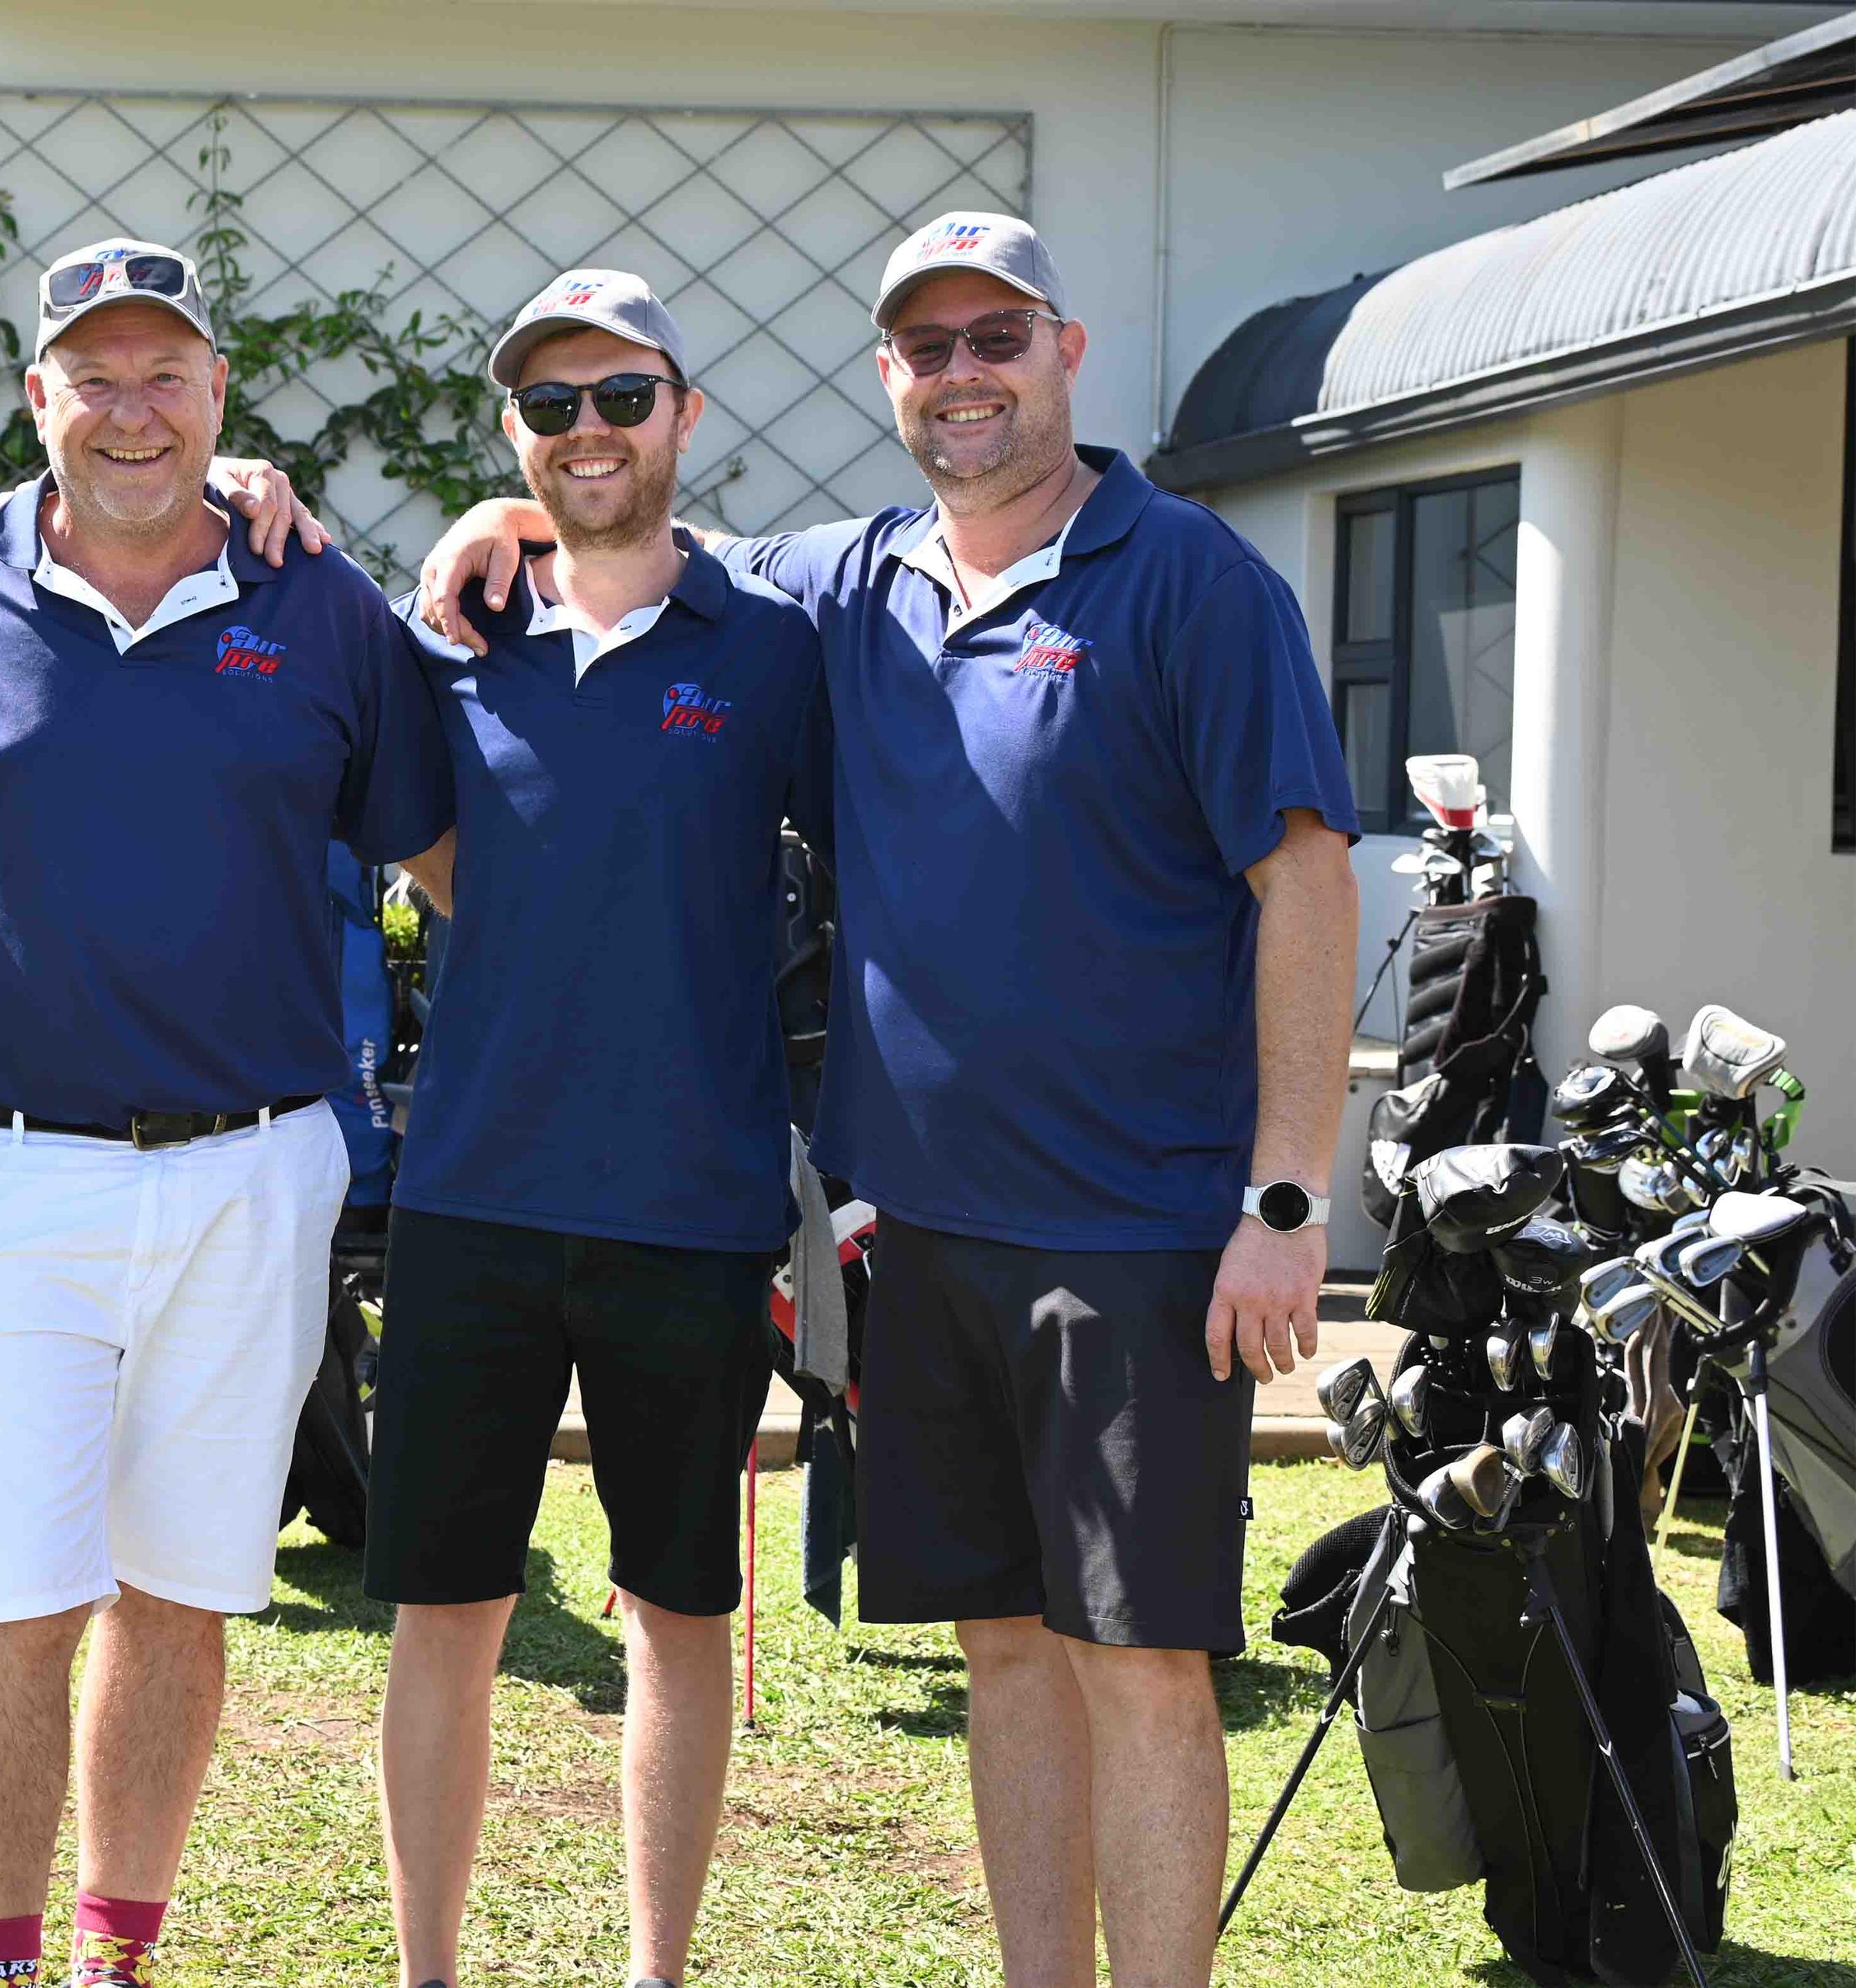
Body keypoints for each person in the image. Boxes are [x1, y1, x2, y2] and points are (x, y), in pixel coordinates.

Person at [417, 214, 1361, 1988]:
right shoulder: (853, 587)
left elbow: (1304, 879)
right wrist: (512, 516)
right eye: (926, 350)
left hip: (1144, 1232)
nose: (961, 377)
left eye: (994, 339)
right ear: (887, 380)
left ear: (1066, 350)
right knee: (1005, 1645)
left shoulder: (1189, 580)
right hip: (916, 1235)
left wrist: (1286, 1194)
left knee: (1141, 1661)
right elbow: (635, 529)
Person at [0, 238, 457, 1988]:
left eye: (164, 372)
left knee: (183, 1592)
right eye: (91, 374)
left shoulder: (316, 600)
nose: (129, 408)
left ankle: (118, 1948)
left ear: (220, 397)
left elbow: (465, 855)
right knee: (12, 1600)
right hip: (8, 1172)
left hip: (259, 1171)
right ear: (35, 399)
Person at [371, 271, 826, 1988]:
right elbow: (434, 849)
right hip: (474, 1198)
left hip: (691, 1209)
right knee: (445, 1610)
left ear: (684, 414)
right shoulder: (456, 633)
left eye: (621, 397)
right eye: (549, 408)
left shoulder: (776, 647)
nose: (587, 433)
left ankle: (656, 1969)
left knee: (678, 1608)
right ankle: (427, 1968)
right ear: (515, 433)